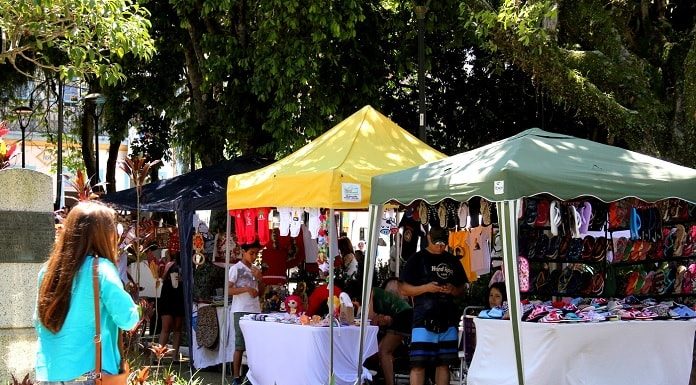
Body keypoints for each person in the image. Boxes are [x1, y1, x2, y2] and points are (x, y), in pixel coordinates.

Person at [34, 201, 140, 383]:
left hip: (51, 373)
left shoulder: (47, 271)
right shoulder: (101, 270)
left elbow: (38, 321)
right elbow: (128, 320)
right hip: (92, 374)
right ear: (103, 236)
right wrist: (138, 309)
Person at [400, 226, 468, 385]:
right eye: (437, 242)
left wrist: (453, 290)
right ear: (429, 238)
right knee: (418, 364)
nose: (440, 246)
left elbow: (462, 288)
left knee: (444, 364)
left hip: (447, 319)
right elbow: (403, 289)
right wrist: (426, 288)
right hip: (423, 320)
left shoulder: (452, 260)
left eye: (443, 243)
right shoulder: (417, 259)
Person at [347, 280, 412, 385]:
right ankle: (384, 377)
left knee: (383, 351)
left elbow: (370, 316)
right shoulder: (370, 291)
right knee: (380, 350)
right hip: (402, 314)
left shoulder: (369, 292)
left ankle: (389, 382)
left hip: (402, 315)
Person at [228, 241, 264, 385]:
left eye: (256, 253)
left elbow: (261, 292)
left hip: (254, 310)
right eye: (251, 253)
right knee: (240, 345)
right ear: (244, 252)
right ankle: (236, 377)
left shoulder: (256, 269)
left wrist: (260, 278)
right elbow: (228, 290)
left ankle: (252, 377)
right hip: (240, 310)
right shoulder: (236, 268)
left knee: (253, 346)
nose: (254, 256)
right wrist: (246, 289)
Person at [156, 250, 185, 361]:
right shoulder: (168, 265)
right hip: (169, 296)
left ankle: (174, 356)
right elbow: (163, 279)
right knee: (166, 327)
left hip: (178, 296)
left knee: (177, 327)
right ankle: (159, 355)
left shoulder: (183, 266)